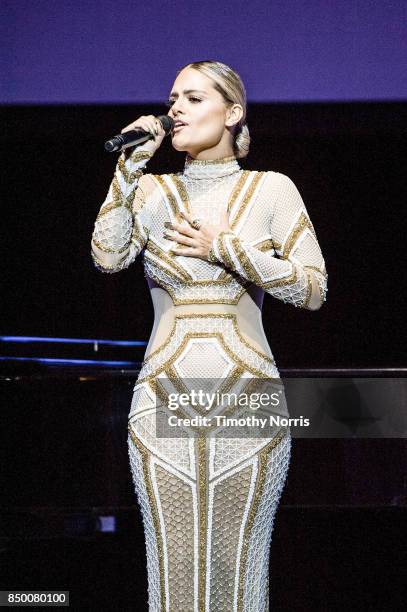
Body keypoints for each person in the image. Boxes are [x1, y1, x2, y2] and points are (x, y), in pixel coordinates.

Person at [91, 60, 327, 612]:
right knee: (172, 570)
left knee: (238, 570)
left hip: (246, 398)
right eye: (173, 98)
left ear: (233, 113)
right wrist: (127, 171)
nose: (175, 108)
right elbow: (108, 256)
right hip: (163, 401)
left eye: (194, 98)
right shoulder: (150, 190)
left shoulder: (271, 189)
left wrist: (230, 249)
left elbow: (313, 289)